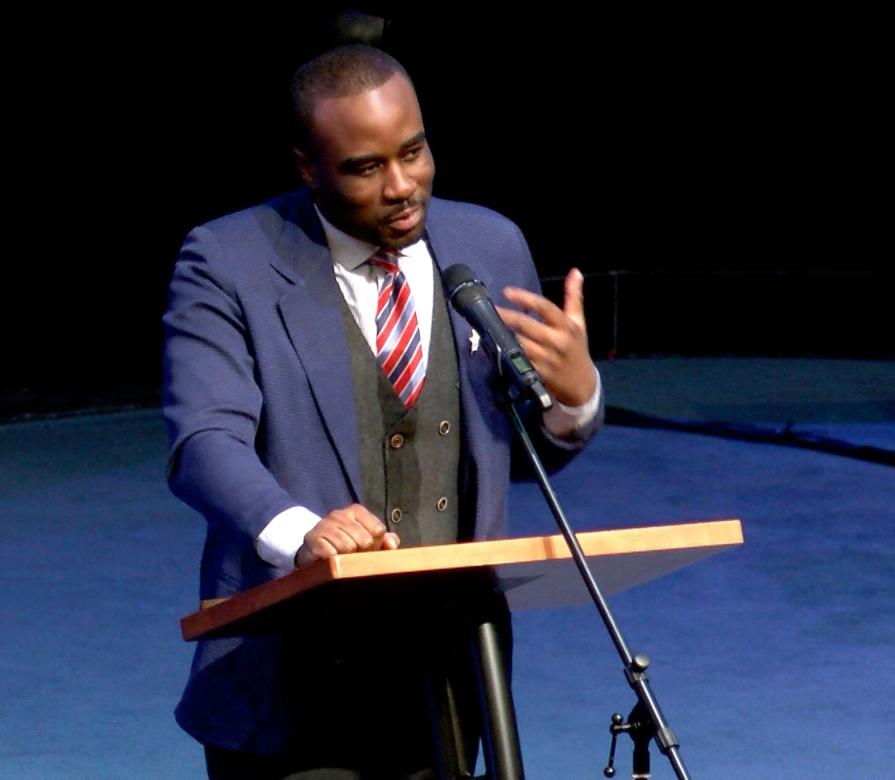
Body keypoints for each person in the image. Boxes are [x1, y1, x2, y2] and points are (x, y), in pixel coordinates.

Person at [163, 44, 603, 778]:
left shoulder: (489, 245)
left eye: (415, 152)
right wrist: (304, 532)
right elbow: (203, 441)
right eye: (366, 168)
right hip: (289, 686)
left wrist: (575, 395)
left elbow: (534, 452)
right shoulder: (227, 260)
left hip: (453, 679)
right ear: (308, 167)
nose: (402, 186)